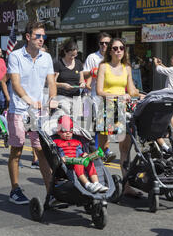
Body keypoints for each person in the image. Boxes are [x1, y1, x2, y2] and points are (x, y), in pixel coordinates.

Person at [6, 21, 57, 205]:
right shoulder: (15, 56)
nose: (41, 39)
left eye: (43, 36)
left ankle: (51, 192)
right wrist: (28, 100)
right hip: (19, 110)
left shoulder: (47, 58)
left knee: (41, 151)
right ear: (28, 37)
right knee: (17, 150)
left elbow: (51, 83)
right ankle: (15, 189)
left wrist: (52, 99)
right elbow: (16, 83)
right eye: (38, 36)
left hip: (38, 112)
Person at [96, 38, 143, 198]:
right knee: (102, 150)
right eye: (115, 48)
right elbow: (99, 91)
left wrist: (140, 94)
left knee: (125, 149)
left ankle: (126, 185)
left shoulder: (127, 68)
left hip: (123, 108)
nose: (118, 51)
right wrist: (117, 95)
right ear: (110, 51)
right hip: (107, 107)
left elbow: (130, 89)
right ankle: (100, 181)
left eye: (121, 48)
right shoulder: (104, 66)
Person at [53, 115, 108, 193]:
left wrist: (84, 154)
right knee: (78, 163)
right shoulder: (56, 142)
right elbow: (54, 153)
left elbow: (80, 153)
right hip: (67, 163)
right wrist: (60, 158)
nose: (68, 133)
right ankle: (88, 185)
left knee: (89, 161)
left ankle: (96, 183)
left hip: (79, 160)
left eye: (70, 131)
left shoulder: (77, 142)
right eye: (64, 131)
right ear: (58, 131)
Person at [83, 32, 112, 151]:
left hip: (112, 94)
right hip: (97, 94)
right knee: (101, 123)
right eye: (102, 43)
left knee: (109, 125)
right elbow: (84, 73)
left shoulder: (114, 57)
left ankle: (103, 149)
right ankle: (99, 149)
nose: (104, 45)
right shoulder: (92, 57)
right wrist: (92, 72)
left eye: (107, 43)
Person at [153, 54, 173, 155]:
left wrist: (157, 64)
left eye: (172, 58)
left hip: (171, 96)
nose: (170, 59)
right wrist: (163, 64)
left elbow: (159, 70)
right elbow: (168, 70)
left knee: (170, 114)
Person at [54, 39, 85, 113]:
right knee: (65, 119)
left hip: (76, 97)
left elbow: (82, 80)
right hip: (62, 96)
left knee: (76, 122)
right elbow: (52, 82)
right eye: (71, 55)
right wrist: (62, 85)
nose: (73, 57)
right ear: (65, 52)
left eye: (75, 55)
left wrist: (82, 84)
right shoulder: (58, 64)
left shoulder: (78, 63)